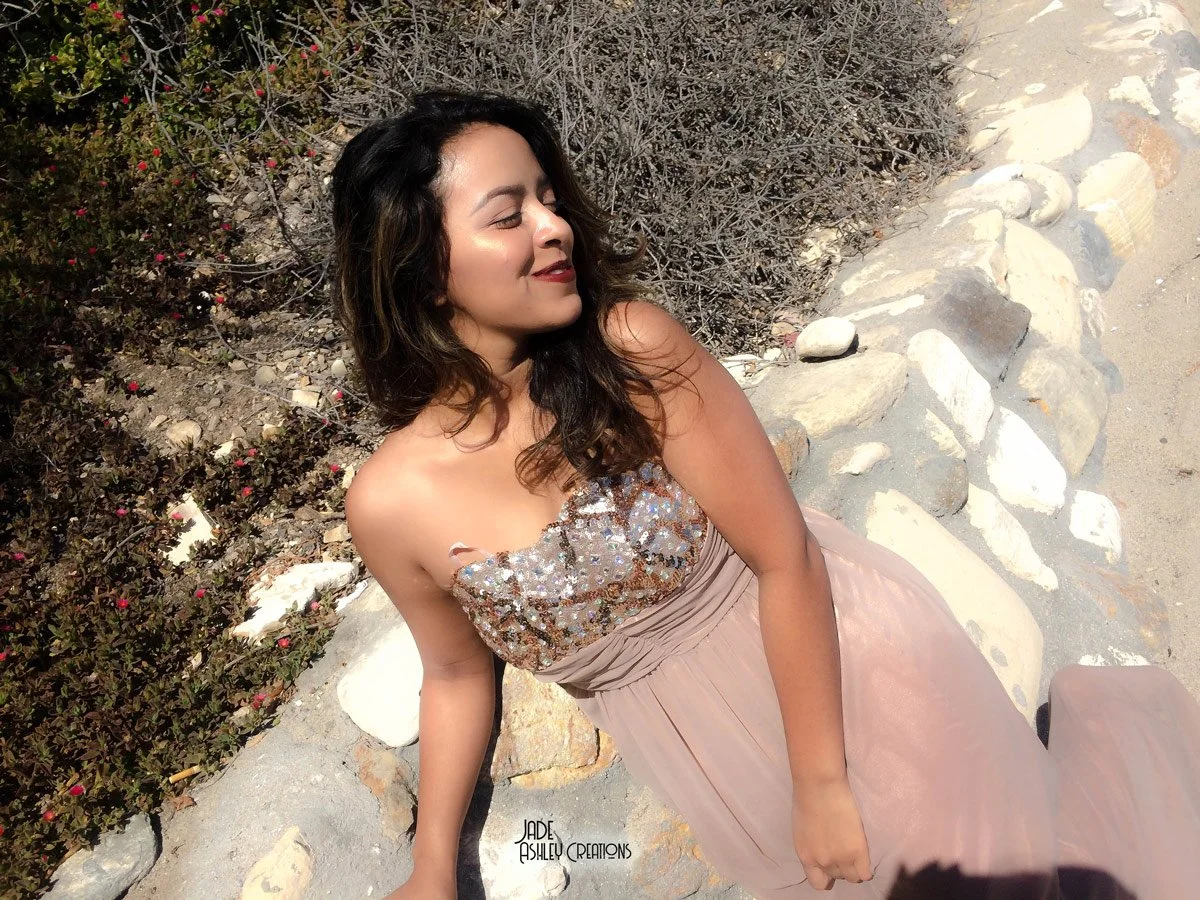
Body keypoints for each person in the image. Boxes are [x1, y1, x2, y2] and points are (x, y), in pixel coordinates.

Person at [331, 88, 1200, 900]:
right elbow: (454, 674)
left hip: (851, 684)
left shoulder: (631, 351)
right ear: (421, 266)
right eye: (508, 214)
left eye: (549, 199)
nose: (554, 227)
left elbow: (784, 555)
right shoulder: (389, 502)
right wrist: (432, 866)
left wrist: (821, 782)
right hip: (719, 776)